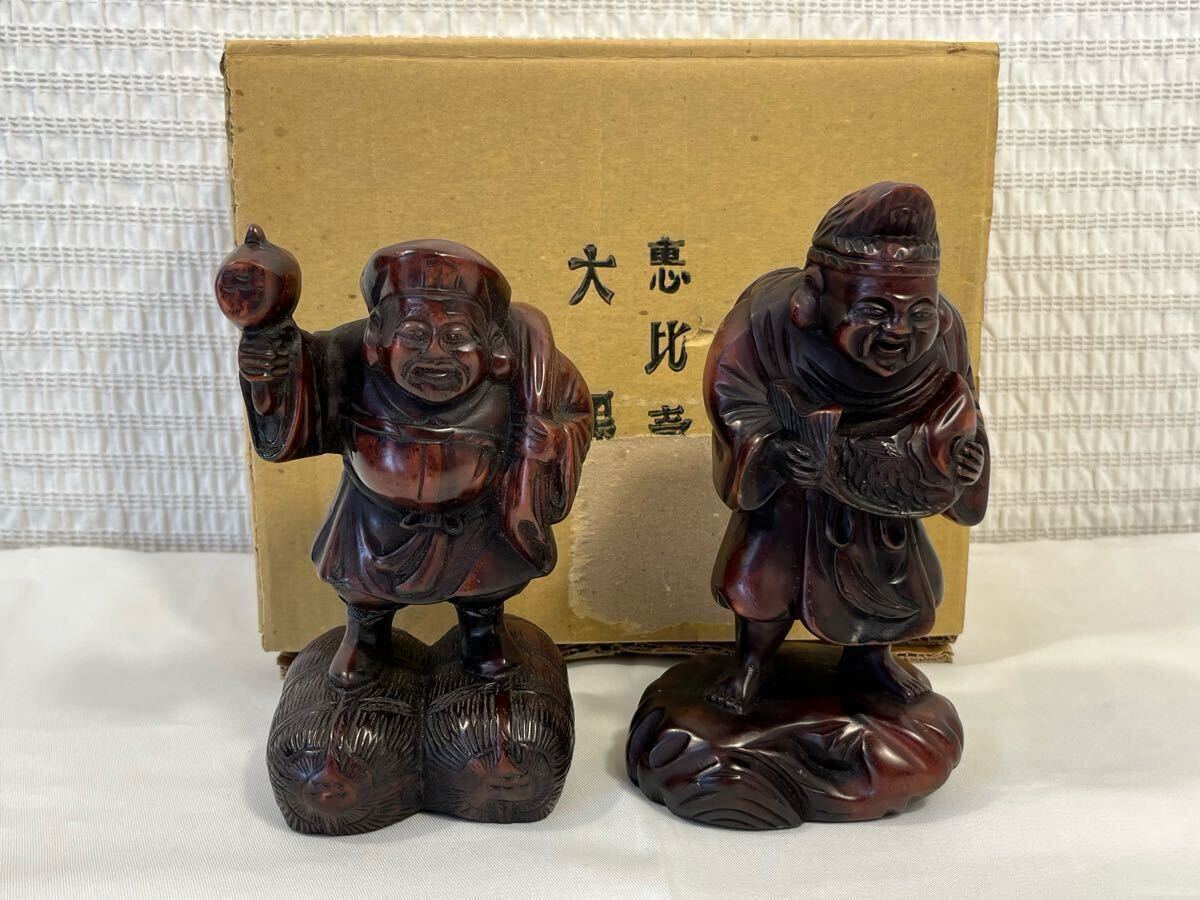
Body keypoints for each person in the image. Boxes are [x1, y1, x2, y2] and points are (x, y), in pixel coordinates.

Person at [220, 236, 592, 687]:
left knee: (486, 590)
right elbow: (298, 384)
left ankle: (482, 636)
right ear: (378, 336)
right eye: (414, 334)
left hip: (478, 522)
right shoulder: (348, 354)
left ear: (492, 344)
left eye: (456, 337)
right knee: (365, 594)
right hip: (373, 520)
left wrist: (554, 439)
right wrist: (269, 352)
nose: (434, 353)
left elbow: (574, 411)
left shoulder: (527, 361)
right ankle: (367, 638)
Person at [703, 182, 990, 714]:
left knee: (888, 578)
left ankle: (871, 660)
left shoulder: (947, 331)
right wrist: (771, 449)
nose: (898, 331)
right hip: (795, 479)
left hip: (887, 481)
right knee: (767, 580)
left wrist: (962, 459)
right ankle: (751, 664)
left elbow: (960, 406)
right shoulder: (765, 320)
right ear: (815, 292)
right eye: (875, 310)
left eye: (918, 313)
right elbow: (731, 394)